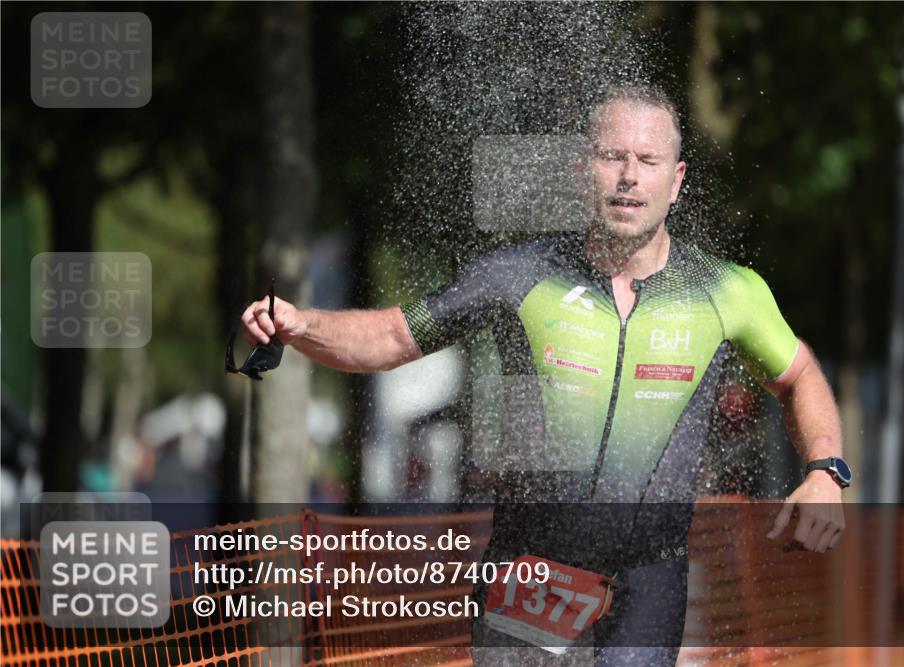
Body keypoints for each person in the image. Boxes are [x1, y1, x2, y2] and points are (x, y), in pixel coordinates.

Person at [241, 84, 848, 666]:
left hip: (648, 581)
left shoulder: (725, 291)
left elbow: (799, 376)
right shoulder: (518, 274)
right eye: (612, 156)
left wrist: (825, 470)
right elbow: (395, 336)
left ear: (677, 180)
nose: (630, 176)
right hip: (530, 571)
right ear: (585, 170)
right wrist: (299, 325)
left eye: (648, 160)